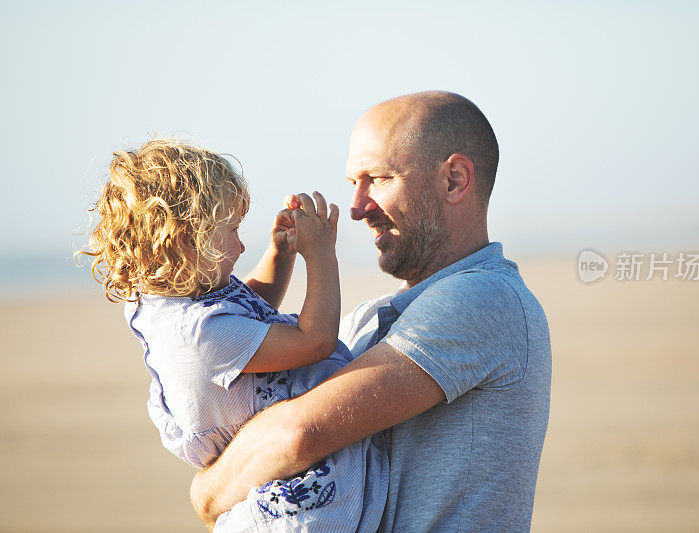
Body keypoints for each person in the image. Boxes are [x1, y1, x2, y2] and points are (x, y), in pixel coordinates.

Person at [191, 91, 552, 531]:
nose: (358, 208)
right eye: (352, 184)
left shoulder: (486, 298)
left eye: (377, 178)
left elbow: (295, 435)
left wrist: (205, 493)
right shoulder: (365, 319)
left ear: (455, 180)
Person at [80, 139, 388, 531]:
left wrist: (281, 253)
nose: (242, 246)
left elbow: (249, 325)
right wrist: (322, 255)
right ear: (187, 240)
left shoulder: (178, 304)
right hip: (301, 499)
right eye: (231, 231)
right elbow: (315, 341)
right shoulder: (197, 335)